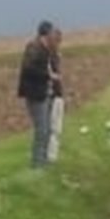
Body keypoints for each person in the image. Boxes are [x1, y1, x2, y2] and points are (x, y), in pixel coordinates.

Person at [17, 20, 61, 169]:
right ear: (46, 34)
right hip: (36, 96)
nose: (54, 36)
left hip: (45, 94)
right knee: (41, 130)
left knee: (47, 129)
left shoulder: (48, 49)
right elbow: (28, 69)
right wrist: (48, 76)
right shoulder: (34, 48)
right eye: (52, 33)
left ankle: (43, 162)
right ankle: (37, 165)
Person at [46, 27, 65, 164]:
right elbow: (50, 75)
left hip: (58, 94)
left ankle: (53, 156)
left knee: (57, 128)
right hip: (52, 95)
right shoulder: (47, 56)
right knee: (52, 128)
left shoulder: (56, 56)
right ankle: (49, 157)